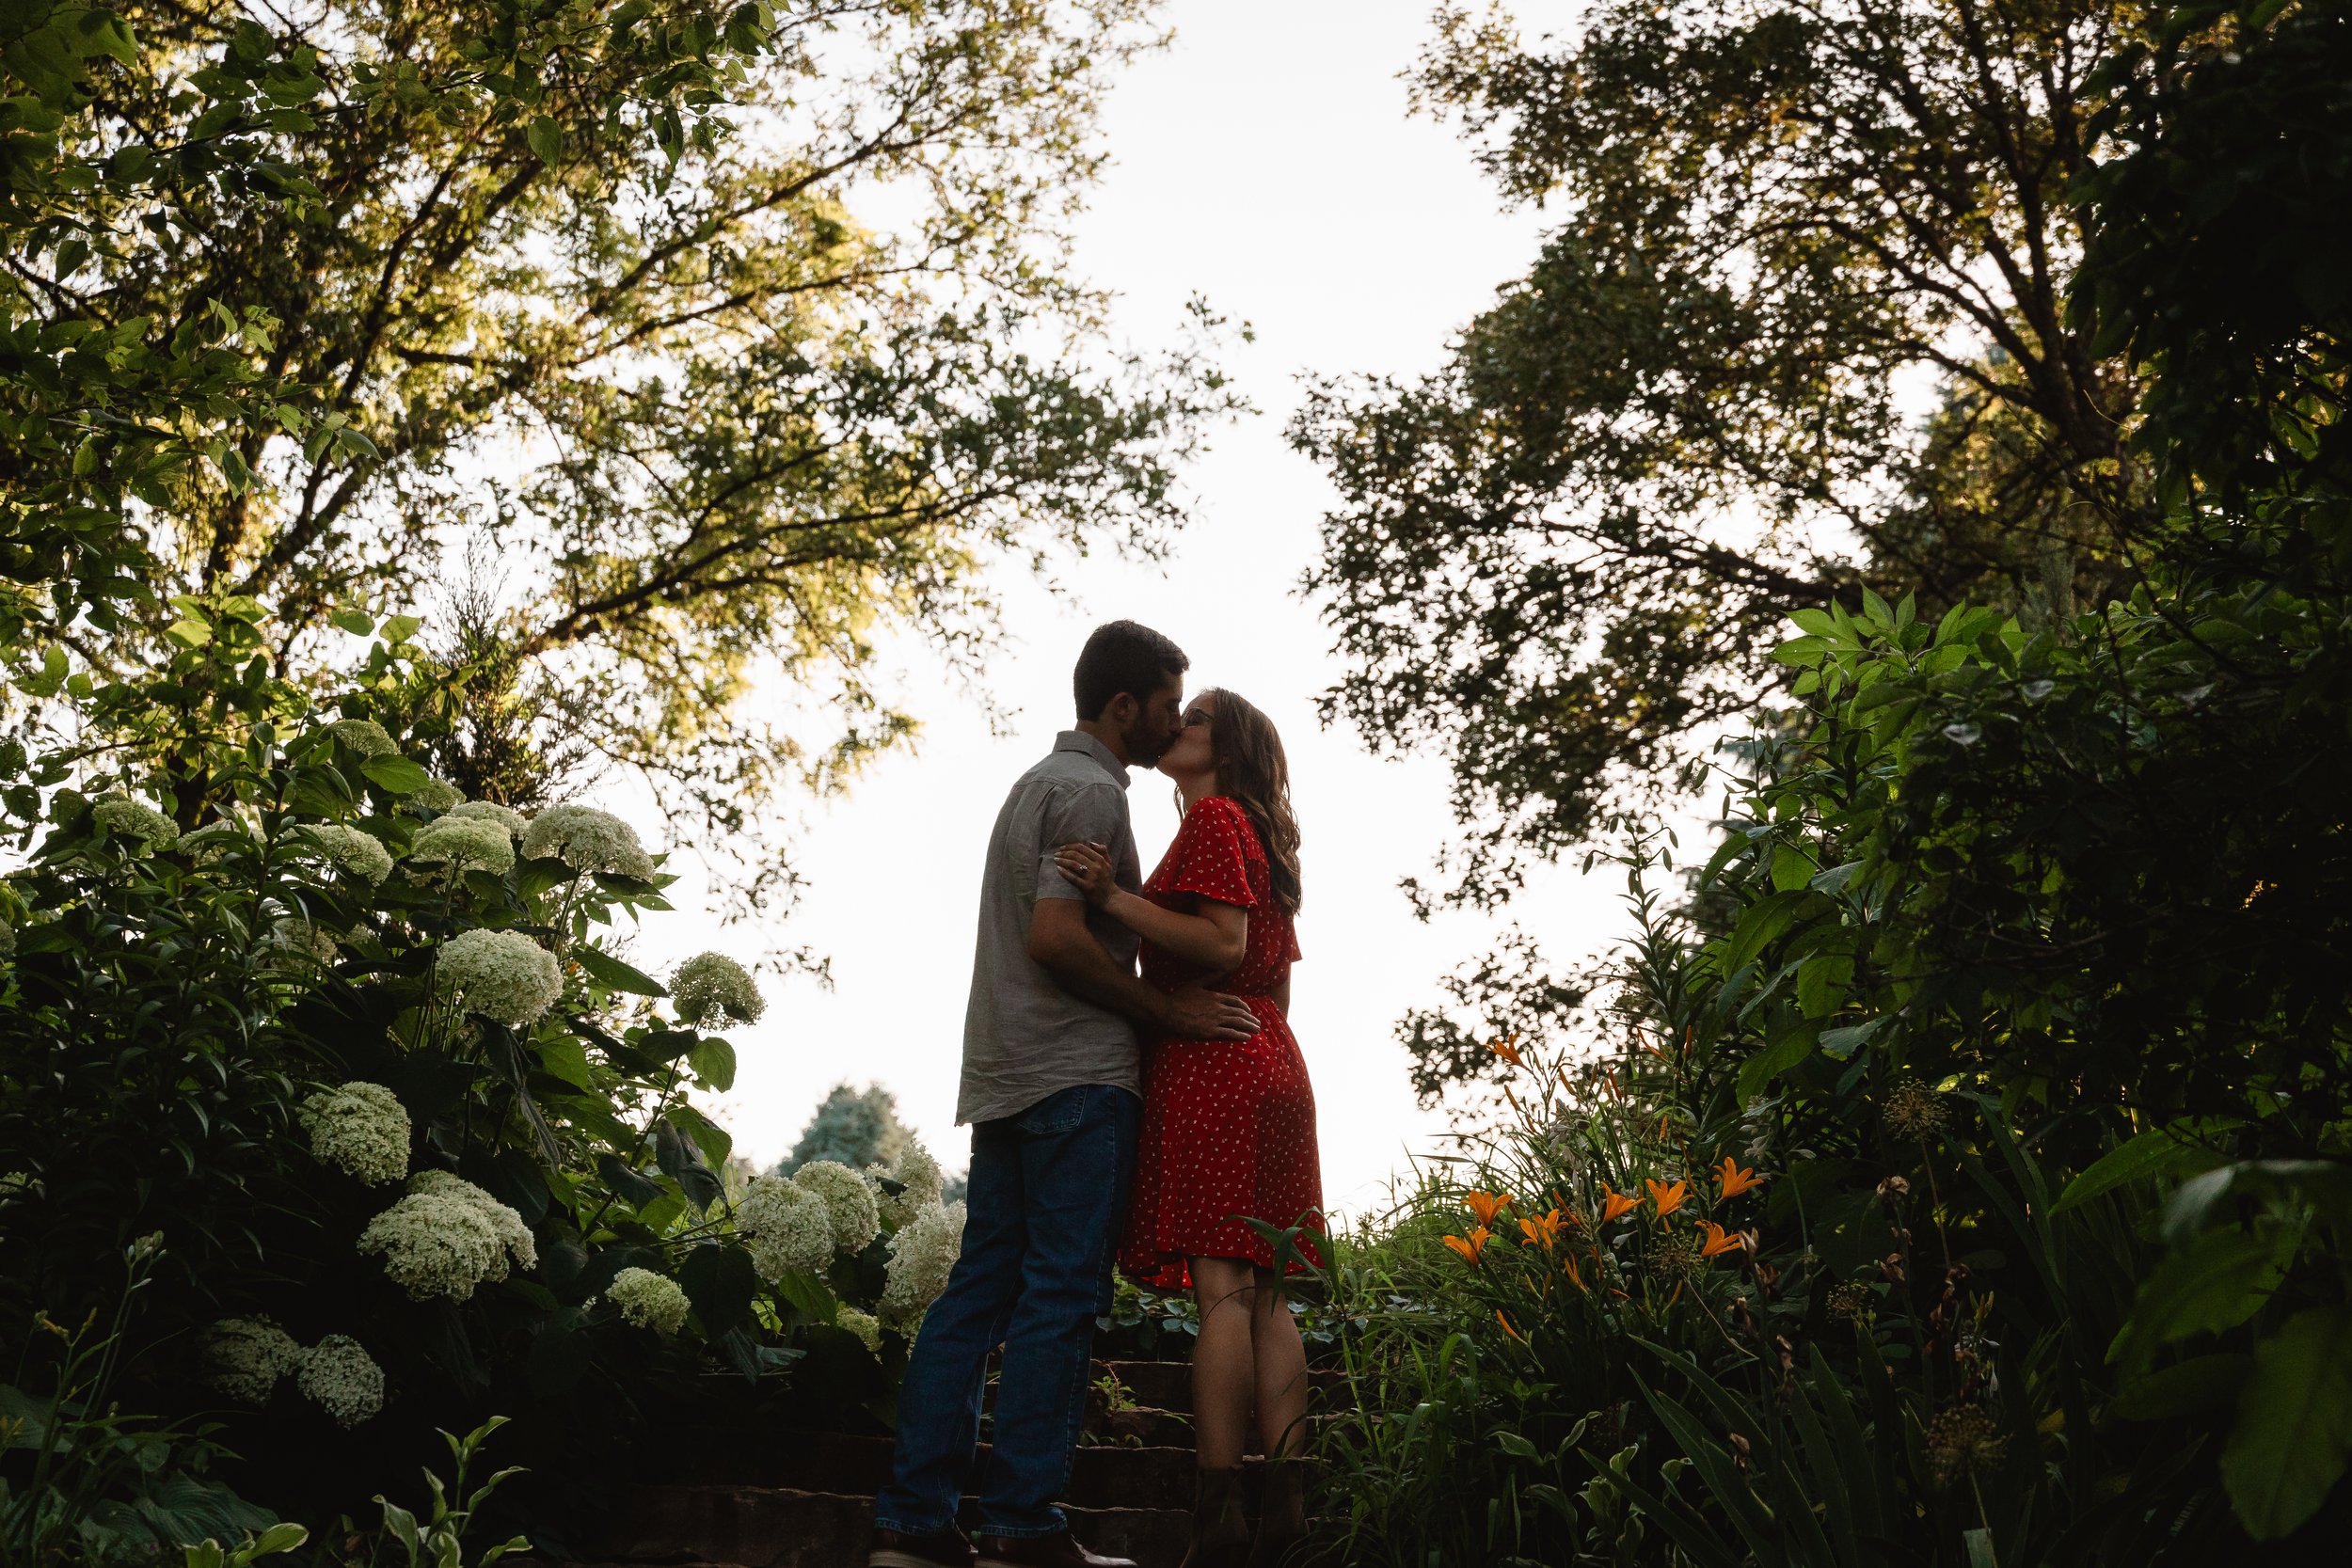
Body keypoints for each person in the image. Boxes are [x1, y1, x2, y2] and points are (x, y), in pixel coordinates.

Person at [869, 623, 1261, 1568]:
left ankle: (912, 1528)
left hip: (1004, 1075)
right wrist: (1163, 1008)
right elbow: (1055, 935)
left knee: (977, 1295)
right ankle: (1021, 1527)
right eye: (1167, 705)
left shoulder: (1034, 785)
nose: (1173, 722)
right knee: (1058, 1298)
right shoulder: (1089, 790)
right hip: (1075, 1079)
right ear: (1121, 706)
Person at [1053, 689, 1325, 1568]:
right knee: (1269, 1296)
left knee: (1224, 1296)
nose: (1178, 729)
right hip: (1275, 1058)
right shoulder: (1260, 834)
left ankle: (1220, 1517)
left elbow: (1217, 943)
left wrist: (1116, 897)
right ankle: (1285, 1504)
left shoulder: (1213, 820)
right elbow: (1274, 983)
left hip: (1216, 1063)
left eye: (1196, 720)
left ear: (1226, 747)